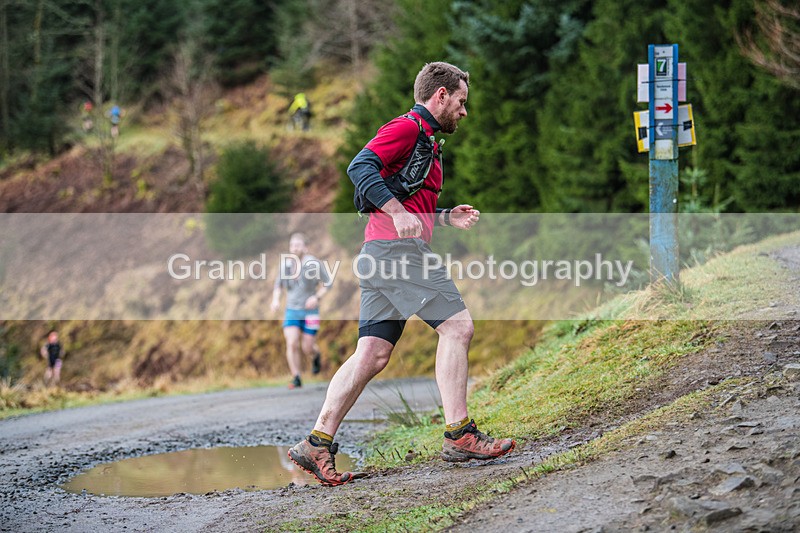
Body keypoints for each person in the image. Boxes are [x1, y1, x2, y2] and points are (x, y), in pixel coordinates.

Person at [288, 62, 516, 486]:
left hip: (379, 253)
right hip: (396, 252)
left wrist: (445, 216)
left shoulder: (427, 141)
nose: (464, 112)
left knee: (372, 354)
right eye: (461, 102)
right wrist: (395, 212)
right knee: (458, 328)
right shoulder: (408, 128)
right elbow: (360, 167)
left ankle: (316, 442)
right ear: (441, 95)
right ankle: (459, 434)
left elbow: (406, 197)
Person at [271, 233, 331, 389]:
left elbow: (327, 284)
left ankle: (315, 355)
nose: (295, 248)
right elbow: (278, 286)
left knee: (307, 347)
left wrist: (316, 297)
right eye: (292, 245)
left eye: (298, 245)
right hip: (292, 310)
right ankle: (296, 377)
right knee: (291, 343)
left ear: (305, 247)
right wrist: (276, 300)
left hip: (311, 312)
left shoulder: (313, 264)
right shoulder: (286, 266)